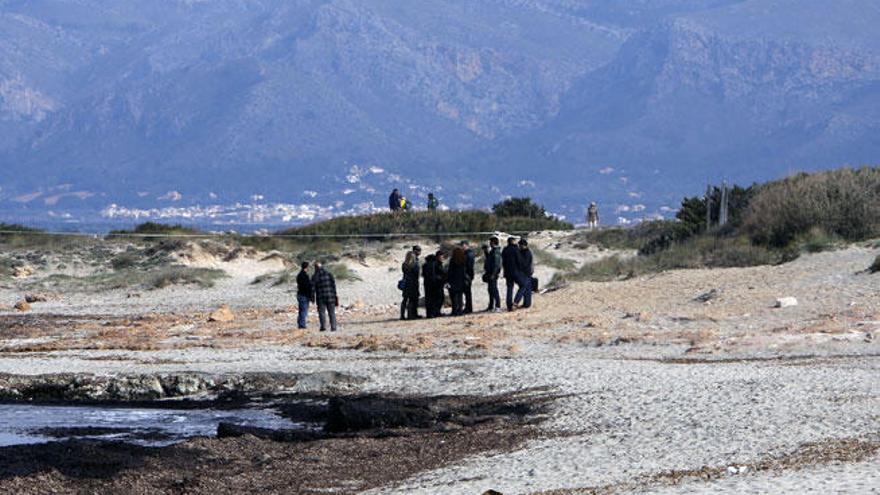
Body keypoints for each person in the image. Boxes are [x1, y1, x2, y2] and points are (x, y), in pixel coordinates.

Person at [311, 261, 339, 332]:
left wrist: (312, 298)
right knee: (332, 312)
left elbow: (312, 288)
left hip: (320, 297)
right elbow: (333, 286)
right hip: (330, 296)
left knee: (322, 312)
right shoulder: (329, 274)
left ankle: (323, 327)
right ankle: (333, 327)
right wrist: (335, 296)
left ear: (316, 268)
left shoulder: (315, 276)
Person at [422, 250, 447, 318]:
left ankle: (430, 313)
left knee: (429, 299)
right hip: (436, 284)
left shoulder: (426, 264)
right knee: (438, 298)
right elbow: (440, 273)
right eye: (442, 256)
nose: (443, 258)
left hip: (427, 284)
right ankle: (436, 312)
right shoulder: (436, 263)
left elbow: (423, 274)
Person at [482, 237, 502, 312]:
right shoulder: (493, 251)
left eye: (490, 242)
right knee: (490, 290)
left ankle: (498, 306)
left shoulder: (496, 251)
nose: (489, 243)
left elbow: (497, 265)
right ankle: (491, 306)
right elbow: (489, 259)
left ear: (493, 242)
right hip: (490, 273)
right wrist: (485, 252)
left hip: (492, 274)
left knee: (494, 290)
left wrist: (493, 274)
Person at [400, 249, 421, 320]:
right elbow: (417, 275)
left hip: (406, 283)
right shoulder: (415, 265)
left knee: (405, 299)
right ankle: (410, 315)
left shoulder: (404, 265)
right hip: (413, 284)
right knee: (412, 300)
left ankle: (402, 315)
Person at [447, 247, 468, 316]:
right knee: (460, 297)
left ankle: (455, 311)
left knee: (454, 297)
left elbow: (450, 271)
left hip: (453, 280)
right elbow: (464, 271)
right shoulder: (463, 260)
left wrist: (448, 280)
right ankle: (460, 311)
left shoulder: (452, 261)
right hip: (461, 280)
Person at [514, 239, 534, 309]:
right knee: (527, 288)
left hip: (526, 273)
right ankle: (527, 304)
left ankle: (517, 302)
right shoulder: (523, 252)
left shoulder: (527, 253)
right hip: (525, 273)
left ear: (524, 245)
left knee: (524, 288)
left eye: (520, 245)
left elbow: (525, 263)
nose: (519, 246)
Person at [502, 237, 520, 311]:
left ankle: (509, 306)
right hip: (515, 271)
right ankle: (516, 302)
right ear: (512, 241)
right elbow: (519, 260)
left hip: (507, 272)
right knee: (523, 285)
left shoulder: (505, 250)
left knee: (509, 289)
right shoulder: (516, 249)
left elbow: (503, 261)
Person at [296, 261, 312, 329]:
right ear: (307, 267)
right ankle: (302, 325)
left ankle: (300, 323)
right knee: (304, 311)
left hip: (300, 294)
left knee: (301, 310)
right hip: (304, 295)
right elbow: (307, 286)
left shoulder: (299, 275)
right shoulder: (305, 276)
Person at [460, 241, 476, 314]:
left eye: (463, 246)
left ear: (466, 245)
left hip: (467, 275)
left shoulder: (468, 254)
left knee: (467, 292)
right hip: (468, 275)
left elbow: (469, 267)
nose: (462, 248)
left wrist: (467, 275)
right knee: (467, 292)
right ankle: (468, 307)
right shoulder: (469, 254)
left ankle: (468, 308)